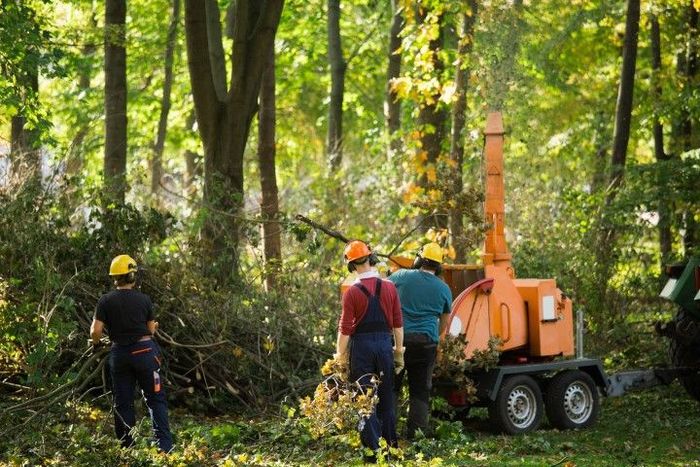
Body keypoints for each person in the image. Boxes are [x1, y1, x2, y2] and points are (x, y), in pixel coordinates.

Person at [90, 254, 173, 453]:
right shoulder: (144, 300)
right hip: (145, 352)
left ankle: (127, 448)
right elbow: (151, 330)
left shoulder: (105, 301)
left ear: (115, 277)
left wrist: (96, 343)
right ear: (132, 276)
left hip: (120, 355)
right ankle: (165, 448)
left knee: (123, 402)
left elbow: (95, 332)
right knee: (155, 399)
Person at [335, 240, 404, 462]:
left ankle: (374, 452)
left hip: (362, 349)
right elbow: (398, 324)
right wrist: (399, 353)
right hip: (385, 345)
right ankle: (391, 450)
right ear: (370, 257)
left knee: (364, 400)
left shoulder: (352, 293)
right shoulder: (390, 287)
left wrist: (339, 356)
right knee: (386, 400)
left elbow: (345, 330)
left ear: (350, 265)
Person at [388, 242, 452, 439]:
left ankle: (386, 432)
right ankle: (416, 435)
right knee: (420, 390)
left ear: (418, 260)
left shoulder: (400, 276)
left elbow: (382, 291)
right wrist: (433, 335)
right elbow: (444, 323)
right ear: (439, 266)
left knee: (391, 387)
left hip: (398, 343)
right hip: (426, 344)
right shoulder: (443, 288)